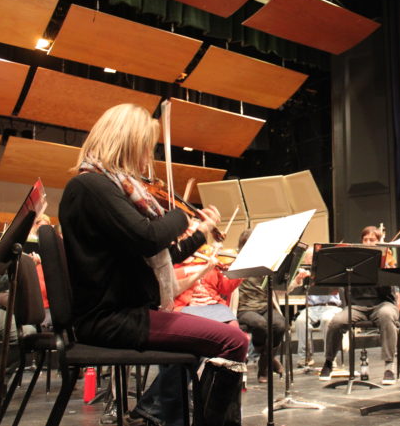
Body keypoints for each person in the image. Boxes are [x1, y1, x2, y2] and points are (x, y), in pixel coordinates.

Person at [58, 103, 248, 426]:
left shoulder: (107, 188)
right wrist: (182, 214)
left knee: (223, 338)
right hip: (112, 320)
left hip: (125, 314)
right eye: (146, 148)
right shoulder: (91, 187)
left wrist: (200, 234)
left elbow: (159, 256)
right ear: (128, 144)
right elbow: (148, 237)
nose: (148, 159)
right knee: (235, 341)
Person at [319, 226, 400, 385]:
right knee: (336, 322)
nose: (368, 243)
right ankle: (329, 362)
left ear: (378, 242)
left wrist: (388, 270)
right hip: (358, 307)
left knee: (387, 315)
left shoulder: (386, 259)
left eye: (372, 240)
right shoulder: (355, 261)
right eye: (365, 240)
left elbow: (394, 290)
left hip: (383, 304)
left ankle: (389, 366)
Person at [236, 229, 286, 384]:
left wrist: (295, 279)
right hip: (244, 308)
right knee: (261, 325)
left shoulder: (267, 263)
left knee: (280, 324)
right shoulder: (235, 261)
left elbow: (280, 289)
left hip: (265, 307)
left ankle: (265, 361)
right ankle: (267, 363)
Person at [173, 231, 250, 328]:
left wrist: (239, 273)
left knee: (233, 327)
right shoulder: (175, 263)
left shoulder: (208, 261)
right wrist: (202, 269)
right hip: (187, 307)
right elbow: (172, 286)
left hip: (213, 305)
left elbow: (225, 289)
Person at [292, 247, 343, 368]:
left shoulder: (331, 270)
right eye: (309, 259)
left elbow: (336, 289)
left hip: (331, 307)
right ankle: (305, 357)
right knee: (300, 321)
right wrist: (299, 279)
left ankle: (329, 358)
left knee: (327, 319)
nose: (311, 262)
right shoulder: (304, 272)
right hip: (312, 308)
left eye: (313, 259)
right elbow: (293, 290)